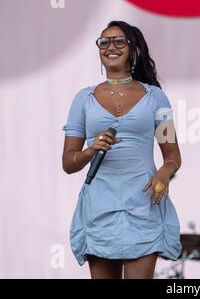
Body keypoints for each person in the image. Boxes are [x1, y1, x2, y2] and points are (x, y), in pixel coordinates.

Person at [62, 21, 182, 279]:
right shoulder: (83, 98)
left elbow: (172, 155)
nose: (110, 47)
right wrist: (90, 150)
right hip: (100, 204)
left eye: (119, 41)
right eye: (104, 42)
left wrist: (164, 173)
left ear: (133, 48)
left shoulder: (155, 97)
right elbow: (68, 163)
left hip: (143, 202)